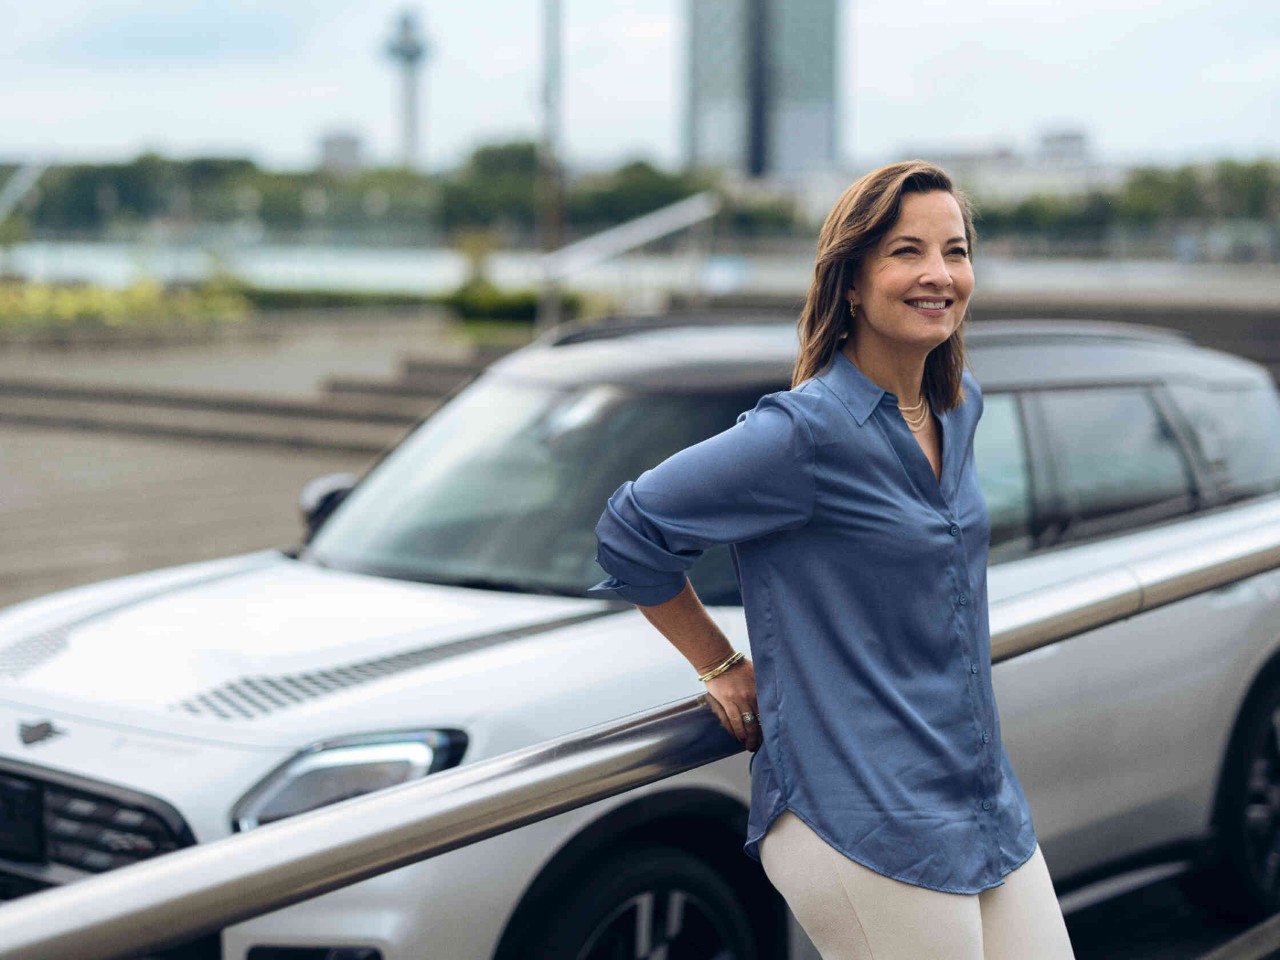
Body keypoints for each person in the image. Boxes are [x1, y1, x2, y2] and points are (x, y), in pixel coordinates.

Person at [588, 160, 1077, 959]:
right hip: (864, 817)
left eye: (955, 251)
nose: (938, 274)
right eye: (906, 252)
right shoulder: (802, 434)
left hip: (982, 799)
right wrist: (719, 665)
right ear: (850, 280)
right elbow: (630, 528)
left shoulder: (960, 407)